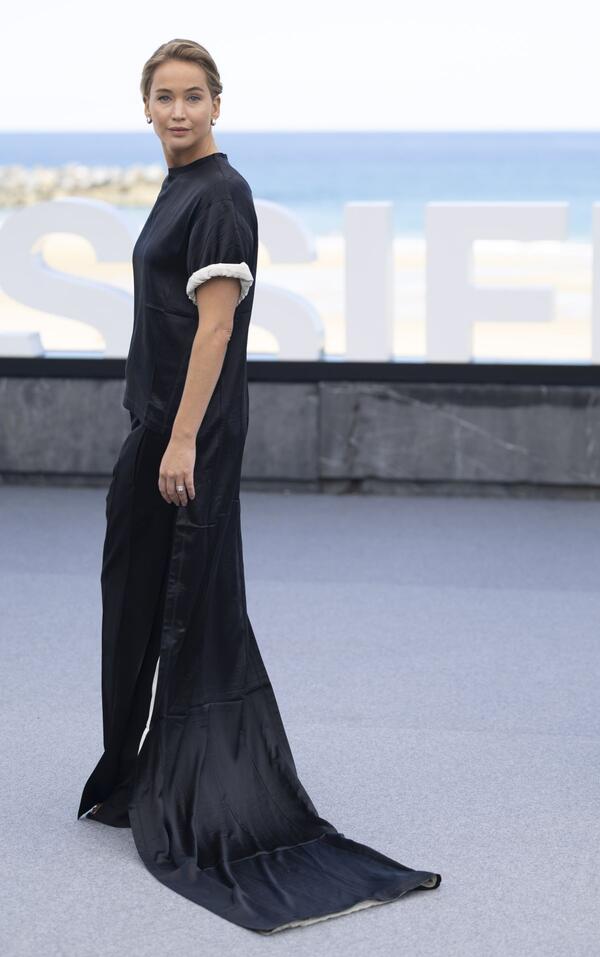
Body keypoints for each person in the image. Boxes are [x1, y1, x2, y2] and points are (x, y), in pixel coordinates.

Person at [77, 38, 441, 934]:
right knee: (132, 595)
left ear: (217, 104)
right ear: (146, 107)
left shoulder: (222, 194)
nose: (178, 111)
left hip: (186, 435)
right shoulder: (178, 186)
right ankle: (135, 769)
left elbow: (215, 329)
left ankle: (190, 782)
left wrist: (183, 439)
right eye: (164, 97)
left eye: (193, 96)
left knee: (183, 602)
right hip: (155, 427)